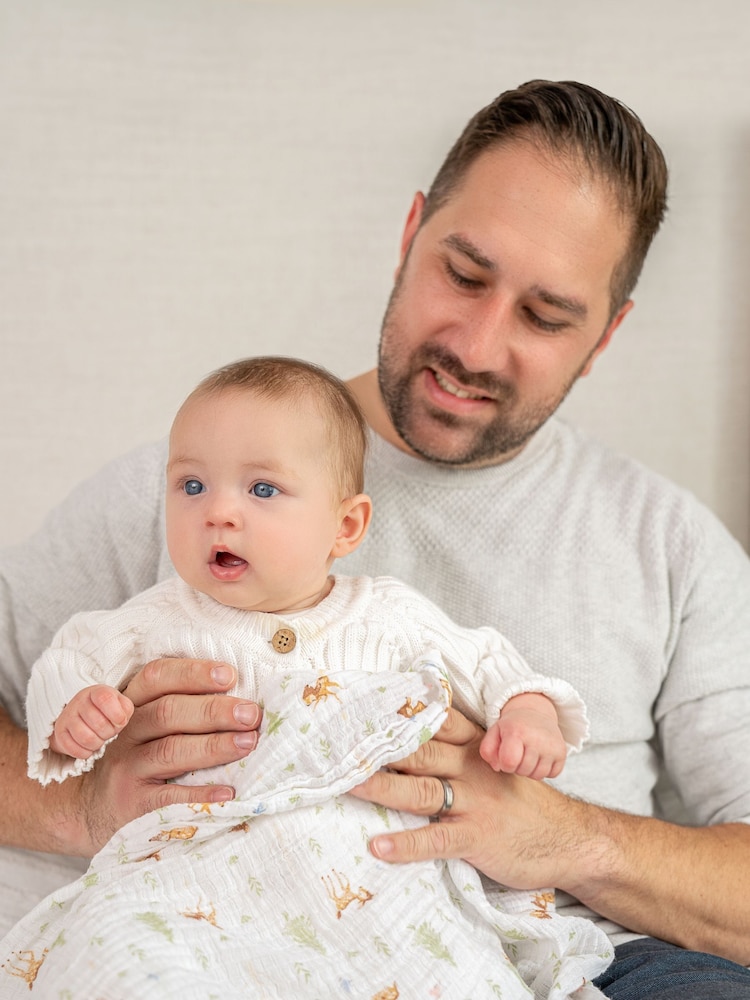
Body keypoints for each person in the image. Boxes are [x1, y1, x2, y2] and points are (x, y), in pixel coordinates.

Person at [0, 79, 749, 998]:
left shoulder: (671, 546)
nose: (475, 344)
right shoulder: (196, 485)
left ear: (605, 336)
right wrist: (77, 803)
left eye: (545, 316)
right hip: (226, 934)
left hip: (568, 952)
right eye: (463, 274)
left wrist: (565, 836)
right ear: (409, 236)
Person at [2, 356, 609, 999]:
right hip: (195, 886)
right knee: (121, 952)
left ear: (344, 526)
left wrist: (528, 712)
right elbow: (71, 657)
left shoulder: (387, 616)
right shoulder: (157, 620)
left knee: (443, 969)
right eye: (191, 486)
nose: (219, 513)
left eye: (262, 490)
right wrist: (76, 708)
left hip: (369, 883)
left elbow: (489, 663)